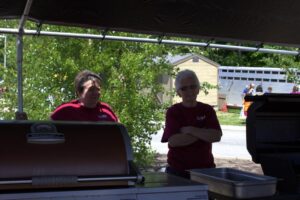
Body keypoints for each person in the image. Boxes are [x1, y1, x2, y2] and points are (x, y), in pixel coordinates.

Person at [161, 69, 222, 178]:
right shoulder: (173, 111)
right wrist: (203, 133)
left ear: (198, 89)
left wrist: (191, 130)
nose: (189, 91)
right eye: (184, 88)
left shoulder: (207, 110)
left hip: (206, 171)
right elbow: (174, 141)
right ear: (178, 92)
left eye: (193, 86)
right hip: (178, 172)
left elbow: (216, 136)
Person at [51, 70, 118, 122]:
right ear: (79, 92)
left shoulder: (106, 109)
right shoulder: (66, 110)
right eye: (91, 90)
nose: (95, 93)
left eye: (98, 89)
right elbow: (47, 130)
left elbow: (120, 131)